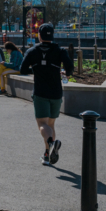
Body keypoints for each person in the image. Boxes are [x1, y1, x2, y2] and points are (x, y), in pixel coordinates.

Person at [19, 23, 74, 166]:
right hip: (56, 92)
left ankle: (52, 143)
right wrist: (65, 72)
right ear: (53, 35)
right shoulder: (60, 50)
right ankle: (47, 154)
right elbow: (70, 67)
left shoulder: (32, 51)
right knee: (50, 124)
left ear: (39, 35)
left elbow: (23, 69)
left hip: (40, 92)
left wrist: (36, 69)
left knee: (42, 124)